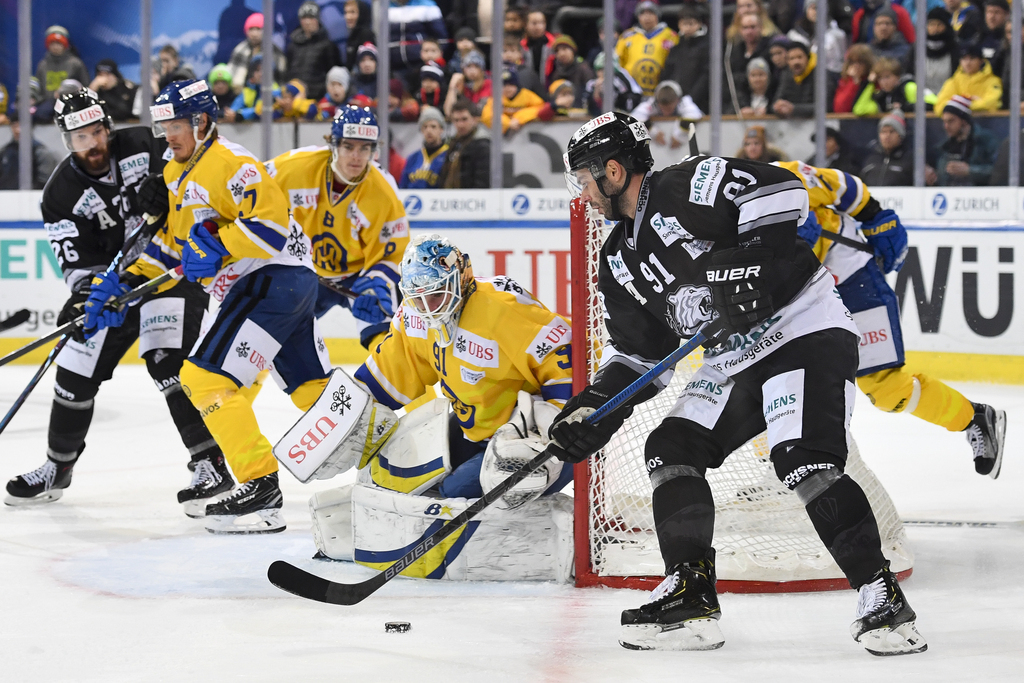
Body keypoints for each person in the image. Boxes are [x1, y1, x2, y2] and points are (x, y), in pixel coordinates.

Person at [559, 111, 927, 655]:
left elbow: (782, 191)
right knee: (671, 447)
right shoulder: (618, 261)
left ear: (613, 171)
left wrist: (745, 263)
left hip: (802, 328)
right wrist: (595, 409)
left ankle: (883, 597)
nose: (583, 194)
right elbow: (641, 355)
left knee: (801, 458)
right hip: (736, 359)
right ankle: (691, 594)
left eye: (584, 180)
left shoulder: (686, 183)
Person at [4, 89, 229, 514]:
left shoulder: (146, 143)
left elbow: (198, 176)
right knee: (74, 371)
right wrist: (87, 294)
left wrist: (168, 188)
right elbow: (74, 260)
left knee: (166, 360)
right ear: (66, 142)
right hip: (114, 288)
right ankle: (57, 468)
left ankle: (210, 462)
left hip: (170, 273)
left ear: (108, 126)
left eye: (97, 131)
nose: (92, 144)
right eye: (80, 138)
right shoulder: (59, 195)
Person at [304, 234, 574, 579]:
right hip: (475, 431)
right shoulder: (415, 315)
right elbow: (392, 372)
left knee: (452, 495)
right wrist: (345, 419)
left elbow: (566, 358)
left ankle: (517, 552)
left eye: (436, 293)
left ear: (461, 277)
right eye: (419, 297)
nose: (429, 306)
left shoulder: (503, 309)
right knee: (385, 474)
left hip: (537, 444)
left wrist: (554, 428)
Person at [125, 79, 326, 534]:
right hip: (277, 286)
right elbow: (179, 248)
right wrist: (123, 284)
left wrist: (219, 244)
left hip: (269, 280)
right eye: (162, 125)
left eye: (175, 123)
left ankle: (260, 490)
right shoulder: (177, 172)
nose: (167, 134)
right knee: (311, 393)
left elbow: (271, 227)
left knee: (203, 378)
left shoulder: (232, 163)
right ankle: (395, 459)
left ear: (201, 121)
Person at [780, 159, 1006, 477]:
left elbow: (847, 188)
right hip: (803, 292)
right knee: (772, 379)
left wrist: (875, 217)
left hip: (851, 275)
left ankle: (974, 417)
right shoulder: (707, 232)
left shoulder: (784, 178)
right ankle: (776, 470)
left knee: (886, 389)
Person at [267, 106, 409, 350]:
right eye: (348, 146)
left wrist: (378, 281)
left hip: (359, 277)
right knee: (265, 340)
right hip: (305, 272)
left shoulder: (383, 191)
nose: (356, 156)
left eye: (365, 148)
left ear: (374, 151)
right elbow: (251, 189)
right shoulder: (294, 168)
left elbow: (393, 251)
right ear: (333, 144)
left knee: (387, 345)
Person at [615, 1, 679, 96]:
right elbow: (617, 62)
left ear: (657, 15)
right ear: (638, 16)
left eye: (651, 13)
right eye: (643, 14)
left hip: (662, 92)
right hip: (632, 92)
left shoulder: (670, 36)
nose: (647, 17)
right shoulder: (627, 36)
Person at [932, 95, 999, 186]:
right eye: (944, 121)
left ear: (964, 121)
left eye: (951, 121)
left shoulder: (985, 140)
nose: (946, 126)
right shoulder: (944, 147)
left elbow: (998, 171)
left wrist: (969, 171)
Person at [286, 1, 341, 101]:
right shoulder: (292, 45)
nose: (307, 22)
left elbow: (334, 75)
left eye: (311, 18)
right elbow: (287, 72)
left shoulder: (328, 46)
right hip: (293, 100)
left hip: (318, 99)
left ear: (318, 20)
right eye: (304, 18)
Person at [662, 4, 710, 114]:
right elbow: (668, 72)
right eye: (684, 24)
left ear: (699, 24)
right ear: (679, 25)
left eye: (691, 23)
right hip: (675, 100)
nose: (687, 27)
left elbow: (705, 75)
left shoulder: (706, 46)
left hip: (699, 102)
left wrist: (692, 98)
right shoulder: (676, 48)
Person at [630, 80, 703, 149]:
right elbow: (633, 119)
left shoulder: (684, 102)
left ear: (677, 100)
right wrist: (652, 133)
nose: (666, 113)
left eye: (669, 109)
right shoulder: (652, 103)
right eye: (663, 108)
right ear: (657, 102)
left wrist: (679, 136)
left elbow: (694, 115)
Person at [934, 41, 1004, 113]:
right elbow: (940, 106)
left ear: (981, 61)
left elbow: (993, 103)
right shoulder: (953, 82)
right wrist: (967, 103)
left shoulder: (993, 82)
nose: (968, 63)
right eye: (964, 59)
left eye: (972, 58)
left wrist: (962, 104)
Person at [228, 13, 287, 95]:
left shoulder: (275, 51)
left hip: (270, 96)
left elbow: (282, 78)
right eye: (251, 29)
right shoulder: (240, 50)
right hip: (243, 95)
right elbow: (232, 78)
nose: (254, 34)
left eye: (258, 29)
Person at [438, 99, 490, 189]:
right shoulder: (453, 143)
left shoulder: (482, 145)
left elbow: (482, 181)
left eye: (464, 119)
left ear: (475, 119)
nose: (460, 124)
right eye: (456, 120)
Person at [773, 40, 833, 118]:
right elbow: (776, 101)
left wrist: (794, 109)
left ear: (807, 58)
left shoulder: (821, 75)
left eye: (799, 57)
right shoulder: (786, 76)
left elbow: (824, 106)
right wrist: (778, 107)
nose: (796, 62)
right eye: (792, 58)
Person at [0, 109, 57, 190]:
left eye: (21, 125)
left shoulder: (40, 152)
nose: (17, 130)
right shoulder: (5, 152)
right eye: (14, 125)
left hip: (31, 198)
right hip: (6, 198)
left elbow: (45, 181)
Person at [787, 0, 847, 76]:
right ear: (806, 10)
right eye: (813, 8)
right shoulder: (794, 35)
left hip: (830, 77)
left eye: (820, 8)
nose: (816, 12)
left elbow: (841, 60)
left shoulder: (837, 35)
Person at [480, 67, 546, 136]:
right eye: (504, 85)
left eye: (511, 85)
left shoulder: (527, 95)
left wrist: (519, 118)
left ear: (516, 85)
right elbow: (487, 115)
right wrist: (508, 123)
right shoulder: (496, 99)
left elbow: (540, 107)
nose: (507, 89)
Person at [388, 0, 449, 74]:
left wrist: (432, 59)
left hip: (421, 65)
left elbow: (441, 38)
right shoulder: (384, 6)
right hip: (392, 65)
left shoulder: (428, 6)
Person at [859, 109, 915, 185]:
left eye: (891, 131)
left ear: (900, 135)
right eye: (883, 132)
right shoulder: (870, 160)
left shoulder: (910, 161)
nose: (887, 136)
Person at [399, 106, 448, 189]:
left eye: (433, 126)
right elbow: (402, 187)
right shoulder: (413, 158)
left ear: (441, 129)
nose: (428, 130)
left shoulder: (448, 156)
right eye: (425, 127)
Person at [35, 26, 89, 100]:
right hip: (48, 102)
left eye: (59, 44)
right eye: (52, 44)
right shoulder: (42, 65)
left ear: (65, 45)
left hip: (71, 100)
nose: (55, 47)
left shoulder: (76, 64)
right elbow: (38, 90)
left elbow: (86, 86)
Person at [584, 51, 645, 116]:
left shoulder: (620, 82)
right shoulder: (591, 84)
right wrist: (596, 92)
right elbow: (588, 107)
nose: (603, 73)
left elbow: (632, 99)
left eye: (606, 70)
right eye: (600, 70)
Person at [546, 35, 594, 108]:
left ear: (572, 51)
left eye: (564, 49)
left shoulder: (583, 69)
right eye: (557, 51)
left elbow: (591, 92)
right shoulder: (556, 73)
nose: (561, 54)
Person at [230, 54, 281, 121]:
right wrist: (230, 114)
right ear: (252, 73)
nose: (261, 73)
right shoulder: (247, 91)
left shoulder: (276, 90)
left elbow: (262, 109)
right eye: (257, 70)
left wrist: (241, 115)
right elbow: (233, 110)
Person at [444, 50, 491, 117]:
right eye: (468, 66)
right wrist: (452, 87)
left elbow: (479, 112)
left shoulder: (488, 84)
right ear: (463, 69)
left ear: (482, 70)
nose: (472, 70)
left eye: (476, 66)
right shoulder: (462, 85)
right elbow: (448, 112)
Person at [925, 7, 961, 95]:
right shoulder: (918, 48)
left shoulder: (955, 48)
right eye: (931, 24)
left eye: (939, 24)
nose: (935, 29)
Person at [521, 8, 557, 81]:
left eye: (542, 23)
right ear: (526, 25)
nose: (538, 27)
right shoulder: (521, 46)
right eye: (534, 23)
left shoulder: (554, 44)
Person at [343, 0, 376, 70]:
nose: (348, 17)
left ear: (361, 13)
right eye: (346, 12)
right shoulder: (352, 35)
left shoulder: (366, 34)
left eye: (352, 12)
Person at [979, 0, 1010, 75]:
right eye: (989, 12)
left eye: (997, 12)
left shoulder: (1009, 40)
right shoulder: (979, 38)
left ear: (1007, 15)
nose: (992, 17)